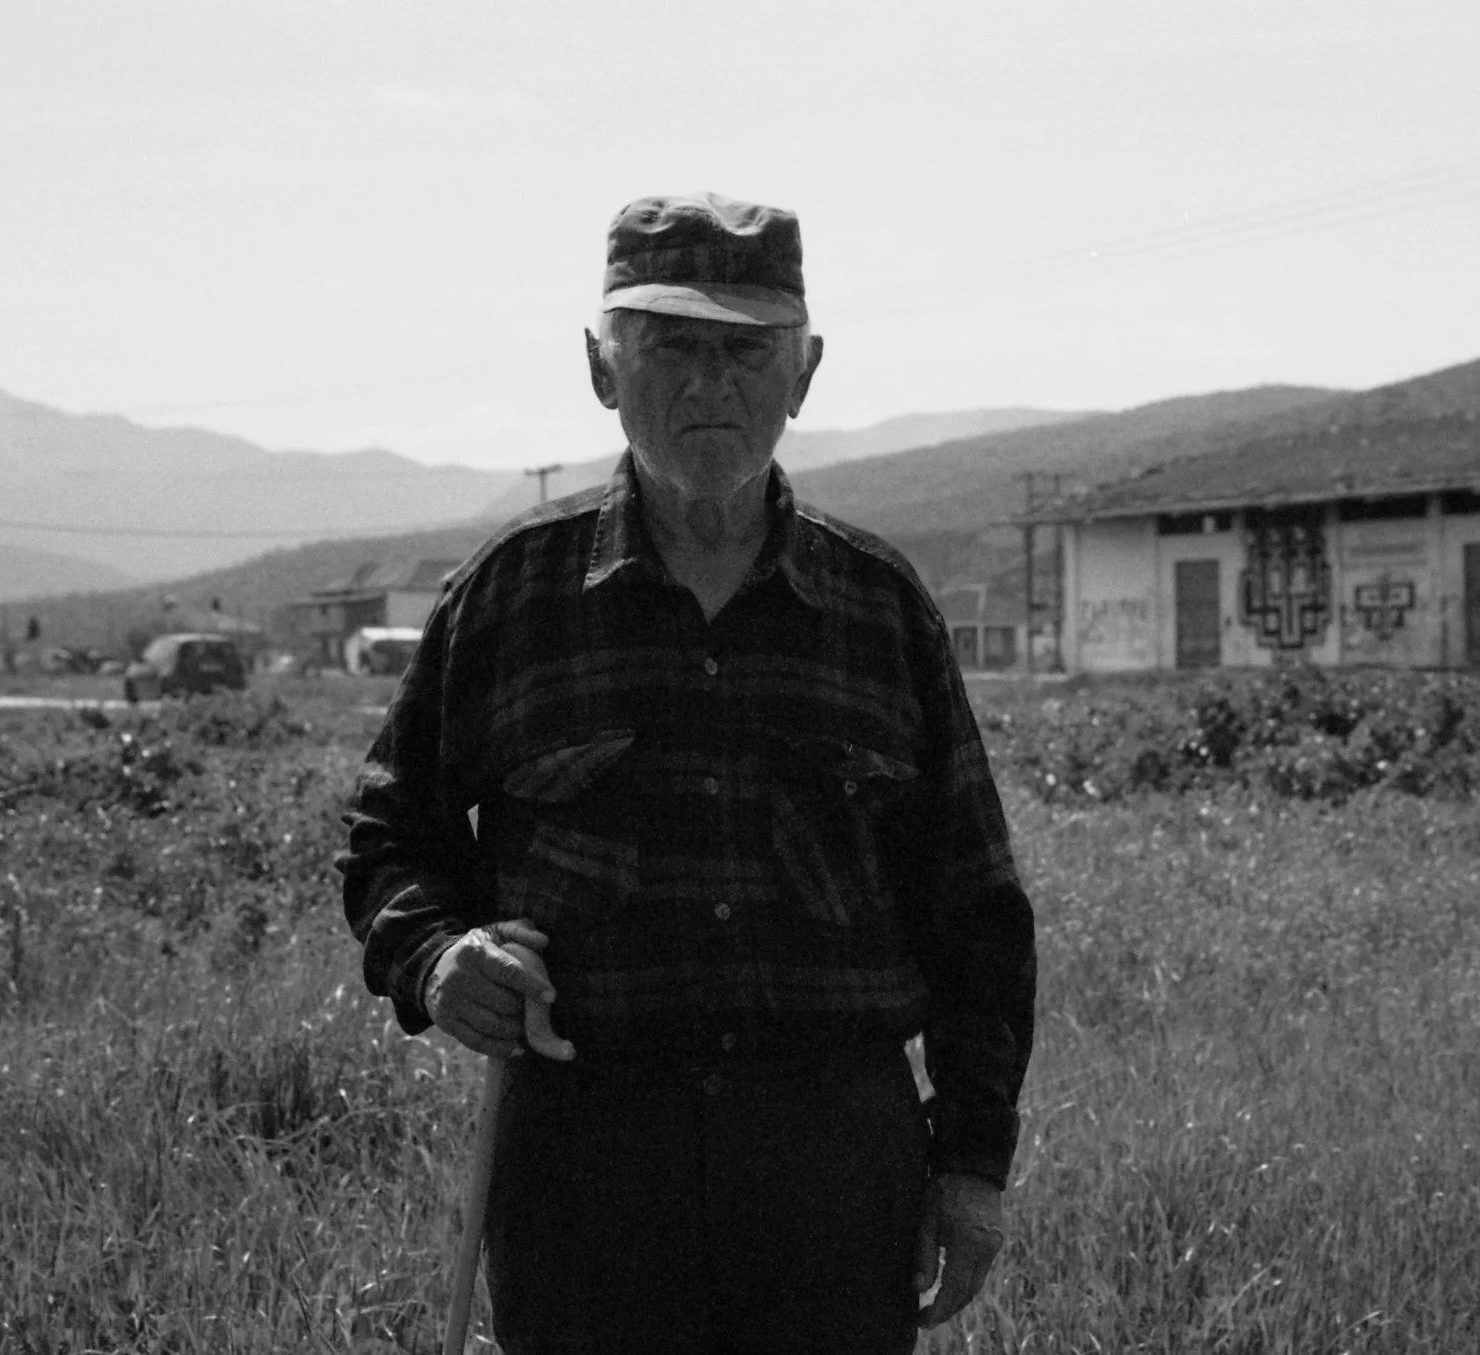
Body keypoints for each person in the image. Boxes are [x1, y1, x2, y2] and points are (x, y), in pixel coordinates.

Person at [338, 192, 1037, 1354]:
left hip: (831, 1170)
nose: (709, 382)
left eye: (745, 349)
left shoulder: (879, 607)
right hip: (586, 1168)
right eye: (671, 344)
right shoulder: (510, 597)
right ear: (602, 369)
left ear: (803, 372)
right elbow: (388, 836)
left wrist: (969, 1162)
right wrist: (434, 956)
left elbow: (975, 907)